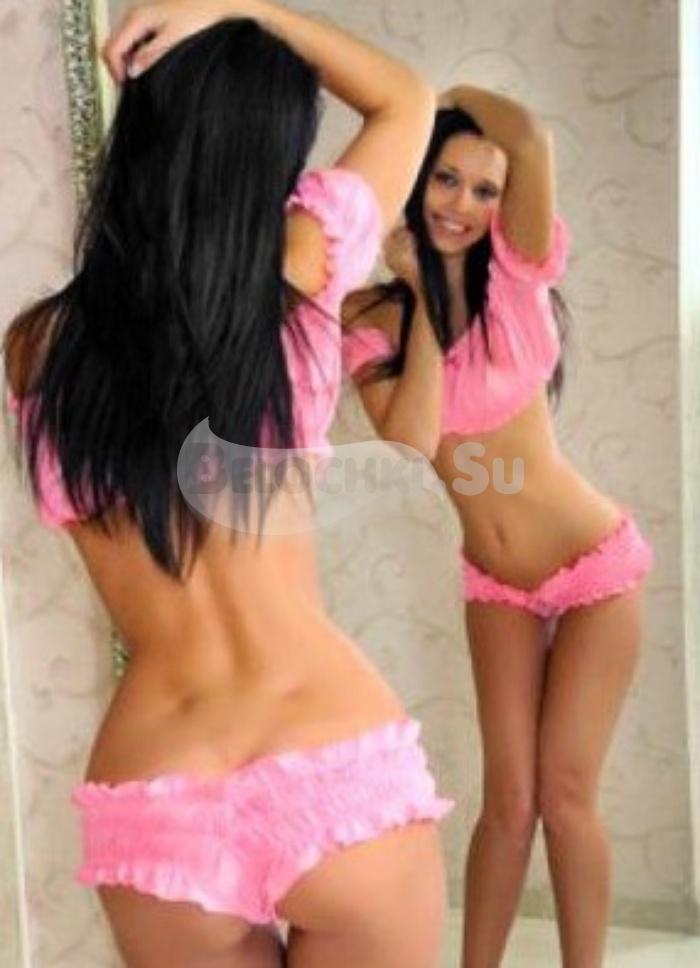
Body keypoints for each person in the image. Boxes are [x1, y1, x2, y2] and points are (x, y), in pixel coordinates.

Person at [3, 3, 454, 966]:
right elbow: (406, 101)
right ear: (273, 153)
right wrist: (247, 6)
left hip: (155, 788)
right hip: (325, 750)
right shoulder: (298, 282)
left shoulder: (39, 349)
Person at [341, 86, 653, 968]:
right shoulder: (373, 316)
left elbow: (530, 134)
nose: (463, 205)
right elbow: (410, 438)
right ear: (416, 179)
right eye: (446, 178)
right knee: (508, 802)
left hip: (595, 567)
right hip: (496, 580)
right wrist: (421, 293)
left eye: (485, 189)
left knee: (565, 795)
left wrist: (439, 98)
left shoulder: (519, 272)